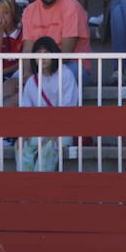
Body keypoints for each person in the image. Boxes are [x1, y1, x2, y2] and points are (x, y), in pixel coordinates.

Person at [17, 36, 82, 171]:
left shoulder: (66, 74)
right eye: (38, 53)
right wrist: (24, 134)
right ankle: (24, 185)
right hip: (38, 130)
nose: (42, 57)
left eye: (46, 53)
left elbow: (69, 109)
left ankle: (40, 187)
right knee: (21, 145)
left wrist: (53, 133)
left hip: (63, 130)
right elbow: (26, 112)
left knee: (49, 145)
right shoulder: (31, 81)